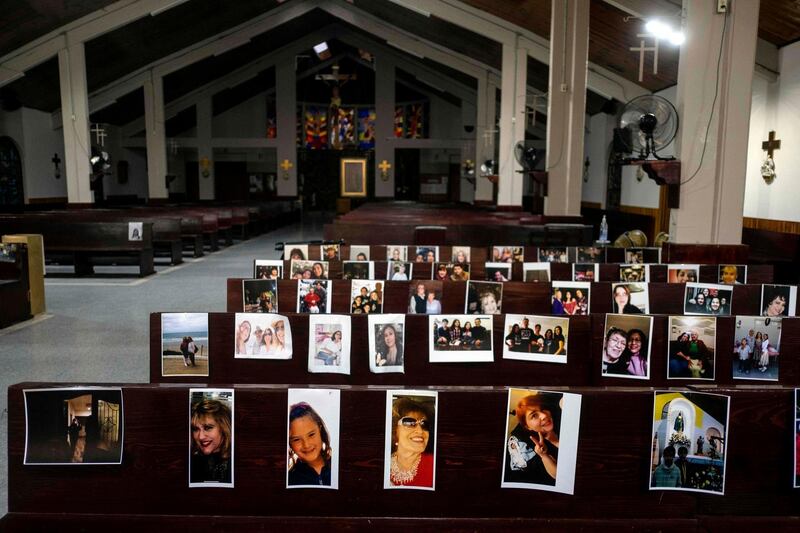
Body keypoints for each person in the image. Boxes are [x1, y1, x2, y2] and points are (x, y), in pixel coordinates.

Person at [504, 393, 560, 486]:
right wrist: (543, 455)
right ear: (527, 426)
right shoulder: (534, 444)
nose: (544, 415)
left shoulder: (559, 418)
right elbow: (558, 475)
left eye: (542, 409)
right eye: (534, 415)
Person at [389, 398, 435, 487]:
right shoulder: (381, 461)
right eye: (410, 422)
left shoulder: (433, 465)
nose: (420, 430)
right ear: (394, 431)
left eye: (424, 424)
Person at [287, 402, 332, 486]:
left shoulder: (337, 466)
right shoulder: (291, 480)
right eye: (296, 439)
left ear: (320, 429)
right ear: (289, 443)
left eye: (311, 434)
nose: (306, 445)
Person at [190, 398, 232, 484]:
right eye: (195, 429)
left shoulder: (236, 463)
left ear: (224, 428)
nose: (201, 437)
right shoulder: (191, 462)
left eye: (208, 428)